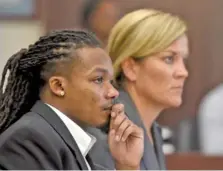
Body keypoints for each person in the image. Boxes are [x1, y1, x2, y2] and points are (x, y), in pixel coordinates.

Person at [0, 30, 144, 170]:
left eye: (110, 82)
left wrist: (127, 166)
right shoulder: (28, 139)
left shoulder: (67, 138)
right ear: (58, 86)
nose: (113, 92)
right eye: (99, 79)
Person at [87, 9, 189, 170]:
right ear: (130, 68)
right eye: (169, 59)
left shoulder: (152, 129)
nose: (183, 72)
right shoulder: (108, 129)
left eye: (183, 59)